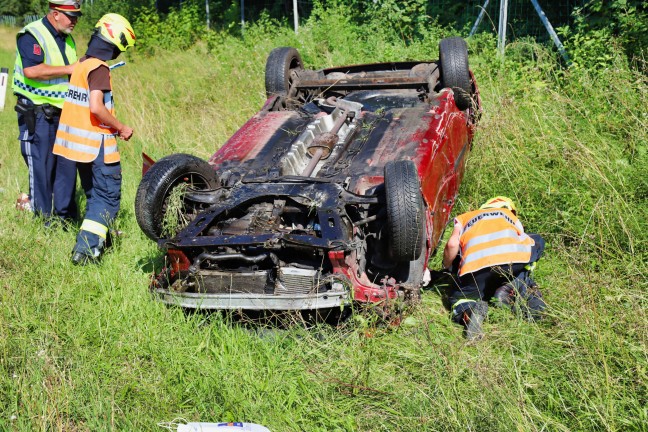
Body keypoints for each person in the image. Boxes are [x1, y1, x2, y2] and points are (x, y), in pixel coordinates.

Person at [52, 13, 136, 265]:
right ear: (114, 44)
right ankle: (86, 251)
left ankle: (100, 241)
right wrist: (121, 127)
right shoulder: (99, 68)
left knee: (94, 195)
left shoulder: (81, 64)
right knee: (108, 197)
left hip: (77, 148)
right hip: (98, 145)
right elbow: (97, 107)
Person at [12, 0, 82, 220]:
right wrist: (71, 68)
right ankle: (43, 223)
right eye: (71, 16)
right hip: (38, 114)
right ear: (55, 14)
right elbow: (31, 70)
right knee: (41, 170)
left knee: (64, 169)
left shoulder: (67, 39)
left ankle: (64, 219)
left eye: (77, 16)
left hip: (63, 114)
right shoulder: (32, 34)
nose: (75, 21)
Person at [442, 196, 546, 340]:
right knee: (537, 241)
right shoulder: (510, 216)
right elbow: (526, 241)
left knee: (460, 297)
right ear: (510, 209)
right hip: (512, 262)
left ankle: (469, 312)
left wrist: (447, 268)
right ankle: (520, 286)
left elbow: (452, 245)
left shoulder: (464, 218)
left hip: (476, 267)